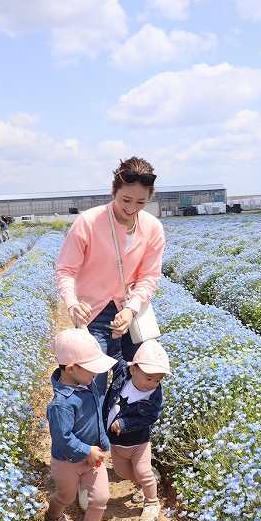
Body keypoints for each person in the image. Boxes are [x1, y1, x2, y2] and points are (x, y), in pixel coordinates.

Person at [55, 156, 165, 397]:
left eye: (141, 201)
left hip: (132, 313)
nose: (132, 208)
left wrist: (131, 309)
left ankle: (124, 432)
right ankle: (93, 433)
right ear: (113, 191)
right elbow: (66, 270)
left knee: (138, 378)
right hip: (93, 313)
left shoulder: (153, 228)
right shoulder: (89, 222)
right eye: (126, 199)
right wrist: (72, 304)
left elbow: (149, 276)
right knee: (92, 383)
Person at [44, 328, 117, 521]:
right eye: (92, 367)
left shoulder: (88, 384)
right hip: (67, 461)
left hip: (91, 456)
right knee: (65, 496)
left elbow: (96, 415)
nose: (97, 372)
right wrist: (88, 450)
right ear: (71, 368)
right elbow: (63, 438)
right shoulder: (61, 405)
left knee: (101, 497)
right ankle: (52, 517)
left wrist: (103, 442)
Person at [104, 339, 171, 521]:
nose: (153, 383)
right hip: (116, 443)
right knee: (122, 472)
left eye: (158, 380)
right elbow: (115, 356)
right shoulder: (122, 375)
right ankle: (149, 480)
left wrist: (124, 424)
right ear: (133, 369)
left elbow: (149, 417)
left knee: (141, 471)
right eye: (149, 378)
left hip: (139, 443)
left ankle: (152, 502)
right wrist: (116, 337)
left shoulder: (154, 395)